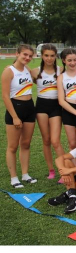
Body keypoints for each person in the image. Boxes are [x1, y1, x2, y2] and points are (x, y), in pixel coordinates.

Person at [2, 44, 37, 188]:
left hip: (29, 107)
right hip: (15, 108)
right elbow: (5, 96)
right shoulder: (9, 71)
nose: (27, 58)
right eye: (25, 55)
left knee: (26, 144)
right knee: (12, 146)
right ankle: (14, 177)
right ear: (17, 54)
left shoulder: (27, 69)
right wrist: (15, 117)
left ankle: (25, 174)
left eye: (30, 56)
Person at [31, 44, 65, 180]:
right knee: (46, 140)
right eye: (46, 55)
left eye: (52, 55)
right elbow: (20, 71)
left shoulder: (61, 70)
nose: (49, 58)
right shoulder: (34, 71)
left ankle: (64, 170)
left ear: (55, 56)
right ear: (41, 55)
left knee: (55, 141)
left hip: (56, 106)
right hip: (41, 106)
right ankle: (51, 170)